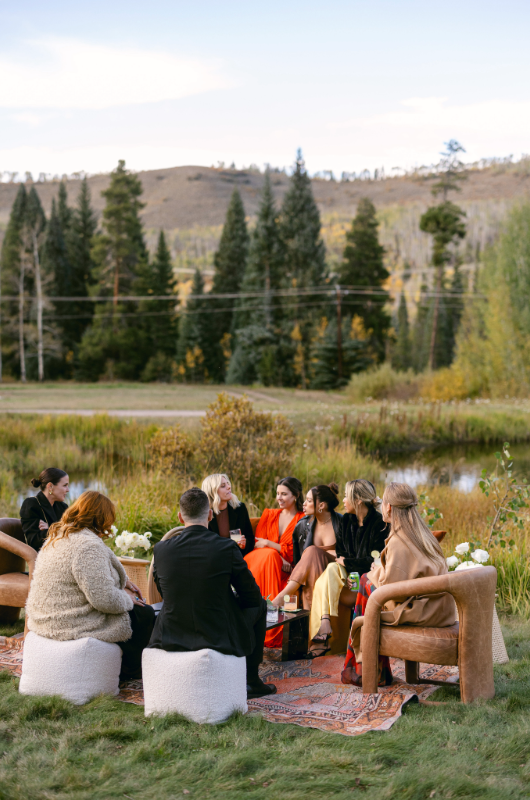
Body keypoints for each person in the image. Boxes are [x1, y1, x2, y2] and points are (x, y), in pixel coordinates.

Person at [148, 487, 276, 699]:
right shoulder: (225, 547)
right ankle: (251, 681)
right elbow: (251, 596)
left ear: (180, 517)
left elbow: (166, 592)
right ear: (209, 514)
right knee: (260, 604)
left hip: (171, 632)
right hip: (216, 633)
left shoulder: (161, 549)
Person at [25, 490, 155, 682]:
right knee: (144, 614)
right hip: (68, 620)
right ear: (101, 518)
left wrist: (123, 580)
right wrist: (126, 599)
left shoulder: (59, 535)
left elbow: (90, 574)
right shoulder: (87, 546)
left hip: (46, 614)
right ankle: (127, 673)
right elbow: (104, 600)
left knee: (137, 610)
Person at [341, 482, 456, 687]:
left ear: (389, 507)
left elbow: (392, 591)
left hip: (420, 610)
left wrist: (374, 574)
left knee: (366, 585)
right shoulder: (422, 533)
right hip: (439, 608)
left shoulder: (399, 540)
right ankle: (370, 668)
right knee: (368, 582)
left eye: (382, 501)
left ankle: (367, 670)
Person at [309, 479, 390, 657]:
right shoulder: (346, 520)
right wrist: (349, 561)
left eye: (347, 496)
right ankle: (325, 621)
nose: (344, 500)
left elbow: (374, 559)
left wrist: (348, 562)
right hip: (346, 577)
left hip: (367, 580)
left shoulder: (380, 524)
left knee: (326, 576)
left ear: (358, 500)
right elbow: (341, 553)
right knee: (331, 569)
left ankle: (323, 629)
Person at [244, 477, 305, 647]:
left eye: (284, 494)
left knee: (272, 557)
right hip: (259, 561)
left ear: (296, 495)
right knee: (270, 556)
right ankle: (264, 616)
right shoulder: (269, 514)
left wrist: (271, 545)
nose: (279, 497)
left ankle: (268, 623)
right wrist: (277, 554)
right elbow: (257, 544)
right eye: (277, 493)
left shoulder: (302, 519)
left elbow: (296, 553)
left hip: (285, 568)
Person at [271, 483, 342, 610]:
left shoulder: (342, 523)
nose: (303, 503)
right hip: (312, 573)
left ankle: (281, 597)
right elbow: (299, 560)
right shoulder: (302, 526)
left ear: (321, 505)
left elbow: (348, 555)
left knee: (312, 551)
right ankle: (313, 622)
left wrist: (324, 554)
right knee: (311, 562)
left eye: (309, 500)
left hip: (335, 571)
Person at [202, 473, 255, 555]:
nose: (229, 487)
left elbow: (250, 539)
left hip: (237, 557)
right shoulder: (204, 514)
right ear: (212, 491)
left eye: (228, 484)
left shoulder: (239, 508)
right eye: (223, 486)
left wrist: (244, 545)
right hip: (215, 559)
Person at [20, 468, 70, 551]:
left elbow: (71, 533)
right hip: (42, 559)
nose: (68, 490)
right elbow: (34, 542)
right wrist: (56, 529)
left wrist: (50, 528)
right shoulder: (31, 504)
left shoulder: (63, 507)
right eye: (65, 485)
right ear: (50, 486)